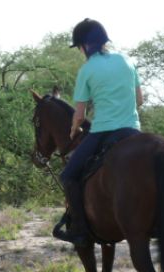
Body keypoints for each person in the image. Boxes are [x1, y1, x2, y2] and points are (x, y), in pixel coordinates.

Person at [55, 18, 143, 247]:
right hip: (133, 130)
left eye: (79, 47)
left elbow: (79, 115)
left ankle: (80, 230)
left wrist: (74, 130)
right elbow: (140, 100)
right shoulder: (126, 60)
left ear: (85, 46)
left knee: (68, 175)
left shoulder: (87, 69)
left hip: (103, 132)